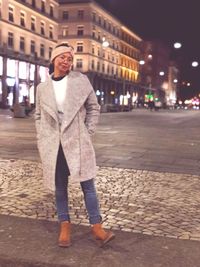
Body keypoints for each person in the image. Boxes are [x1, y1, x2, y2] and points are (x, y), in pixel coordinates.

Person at [34, 43, 115, 248]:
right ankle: (65, 227)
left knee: (88, 185)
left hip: (77, 141)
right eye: (62, 57)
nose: (67, 61)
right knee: (60, 188)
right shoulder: (42, 88)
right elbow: (38, 116)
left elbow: (93, 107)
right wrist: (41, 136)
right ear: (54, 59)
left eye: (70, 58)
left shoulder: (80, 81)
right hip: (54, 144)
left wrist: (88, 132)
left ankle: (96, 226)